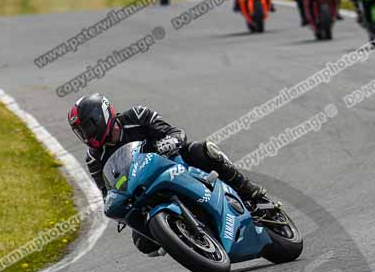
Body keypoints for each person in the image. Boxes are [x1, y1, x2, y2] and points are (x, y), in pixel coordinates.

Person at [68, 94, 267, 255]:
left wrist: (170, 141)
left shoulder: (137, 116)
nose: (86, 135)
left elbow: (175, 132)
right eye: (81, 131)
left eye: (88, 127)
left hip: (172, 163)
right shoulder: (94, 159)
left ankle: (251, 192)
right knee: (142, 243)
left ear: (101, 116)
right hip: (141, 191)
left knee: (203, 150)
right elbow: (107, 192)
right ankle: (184, 239)